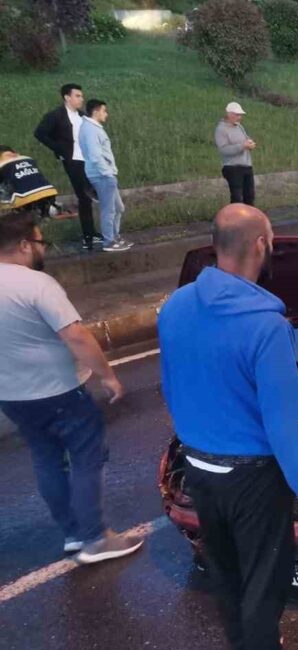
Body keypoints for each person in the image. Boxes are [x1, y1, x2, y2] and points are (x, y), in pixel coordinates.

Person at [158, 203, 298, 650]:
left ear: (215, 247)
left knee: (226, 574)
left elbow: (170, 387)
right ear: (261, 245)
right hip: (253, 480)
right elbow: (286, 418)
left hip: (198, 468)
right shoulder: (266, 326)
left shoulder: (175, 306)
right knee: (262, 584)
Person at [0, 209, 143, 565]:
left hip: (12, 396)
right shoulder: (36, 285)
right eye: (39, 242)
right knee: (85, 459)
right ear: (22, 245)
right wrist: (108, 375)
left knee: (46, 460)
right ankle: (96, 538)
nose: (42, 250)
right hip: (60, 391)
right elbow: (76, 336)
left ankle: (72, 534)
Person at [34, 83, 100, 251]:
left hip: (88, 160)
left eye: (81, 96)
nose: (81, 99)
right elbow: (40, 133)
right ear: (67, 97)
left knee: (94, 194)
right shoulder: (56, 116)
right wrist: (59, 149)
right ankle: (88, 237)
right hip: (73, 161)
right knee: (84, 197)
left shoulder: (82, 116)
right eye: (77, 96)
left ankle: (92, 232)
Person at [78, 100, 130, 253]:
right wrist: (107, 172)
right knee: (109, 209)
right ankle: (109, 241)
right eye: (104, 111)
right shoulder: (90, 130)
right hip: (102, 175)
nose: (106, 114)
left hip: (105, 174)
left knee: (119, 208)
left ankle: (115, 236)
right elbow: (95, 156)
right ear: (95, 112)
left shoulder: (91, 128)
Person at [215, 102, 257, 206]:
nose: (240, 117)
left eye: (240, 115)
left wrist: (250, 144)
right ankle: (235, 219)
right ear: (229, 114)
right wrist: (242, 146)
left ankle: (249, 219)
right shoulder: (221, 129)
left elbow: (246, 139)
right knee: (237, 197)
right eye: (237, 115)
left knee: (250, 196)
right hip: (232, 167)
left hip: (246, 165)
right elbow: (224, 150)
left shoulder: (239, 127)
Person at [0, 145, 58, 218]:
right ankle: (48, 207)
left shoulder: (2, 164)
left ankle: (13, 212)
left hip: (26, 198)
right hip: (49, 192)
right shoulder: (28, 159)